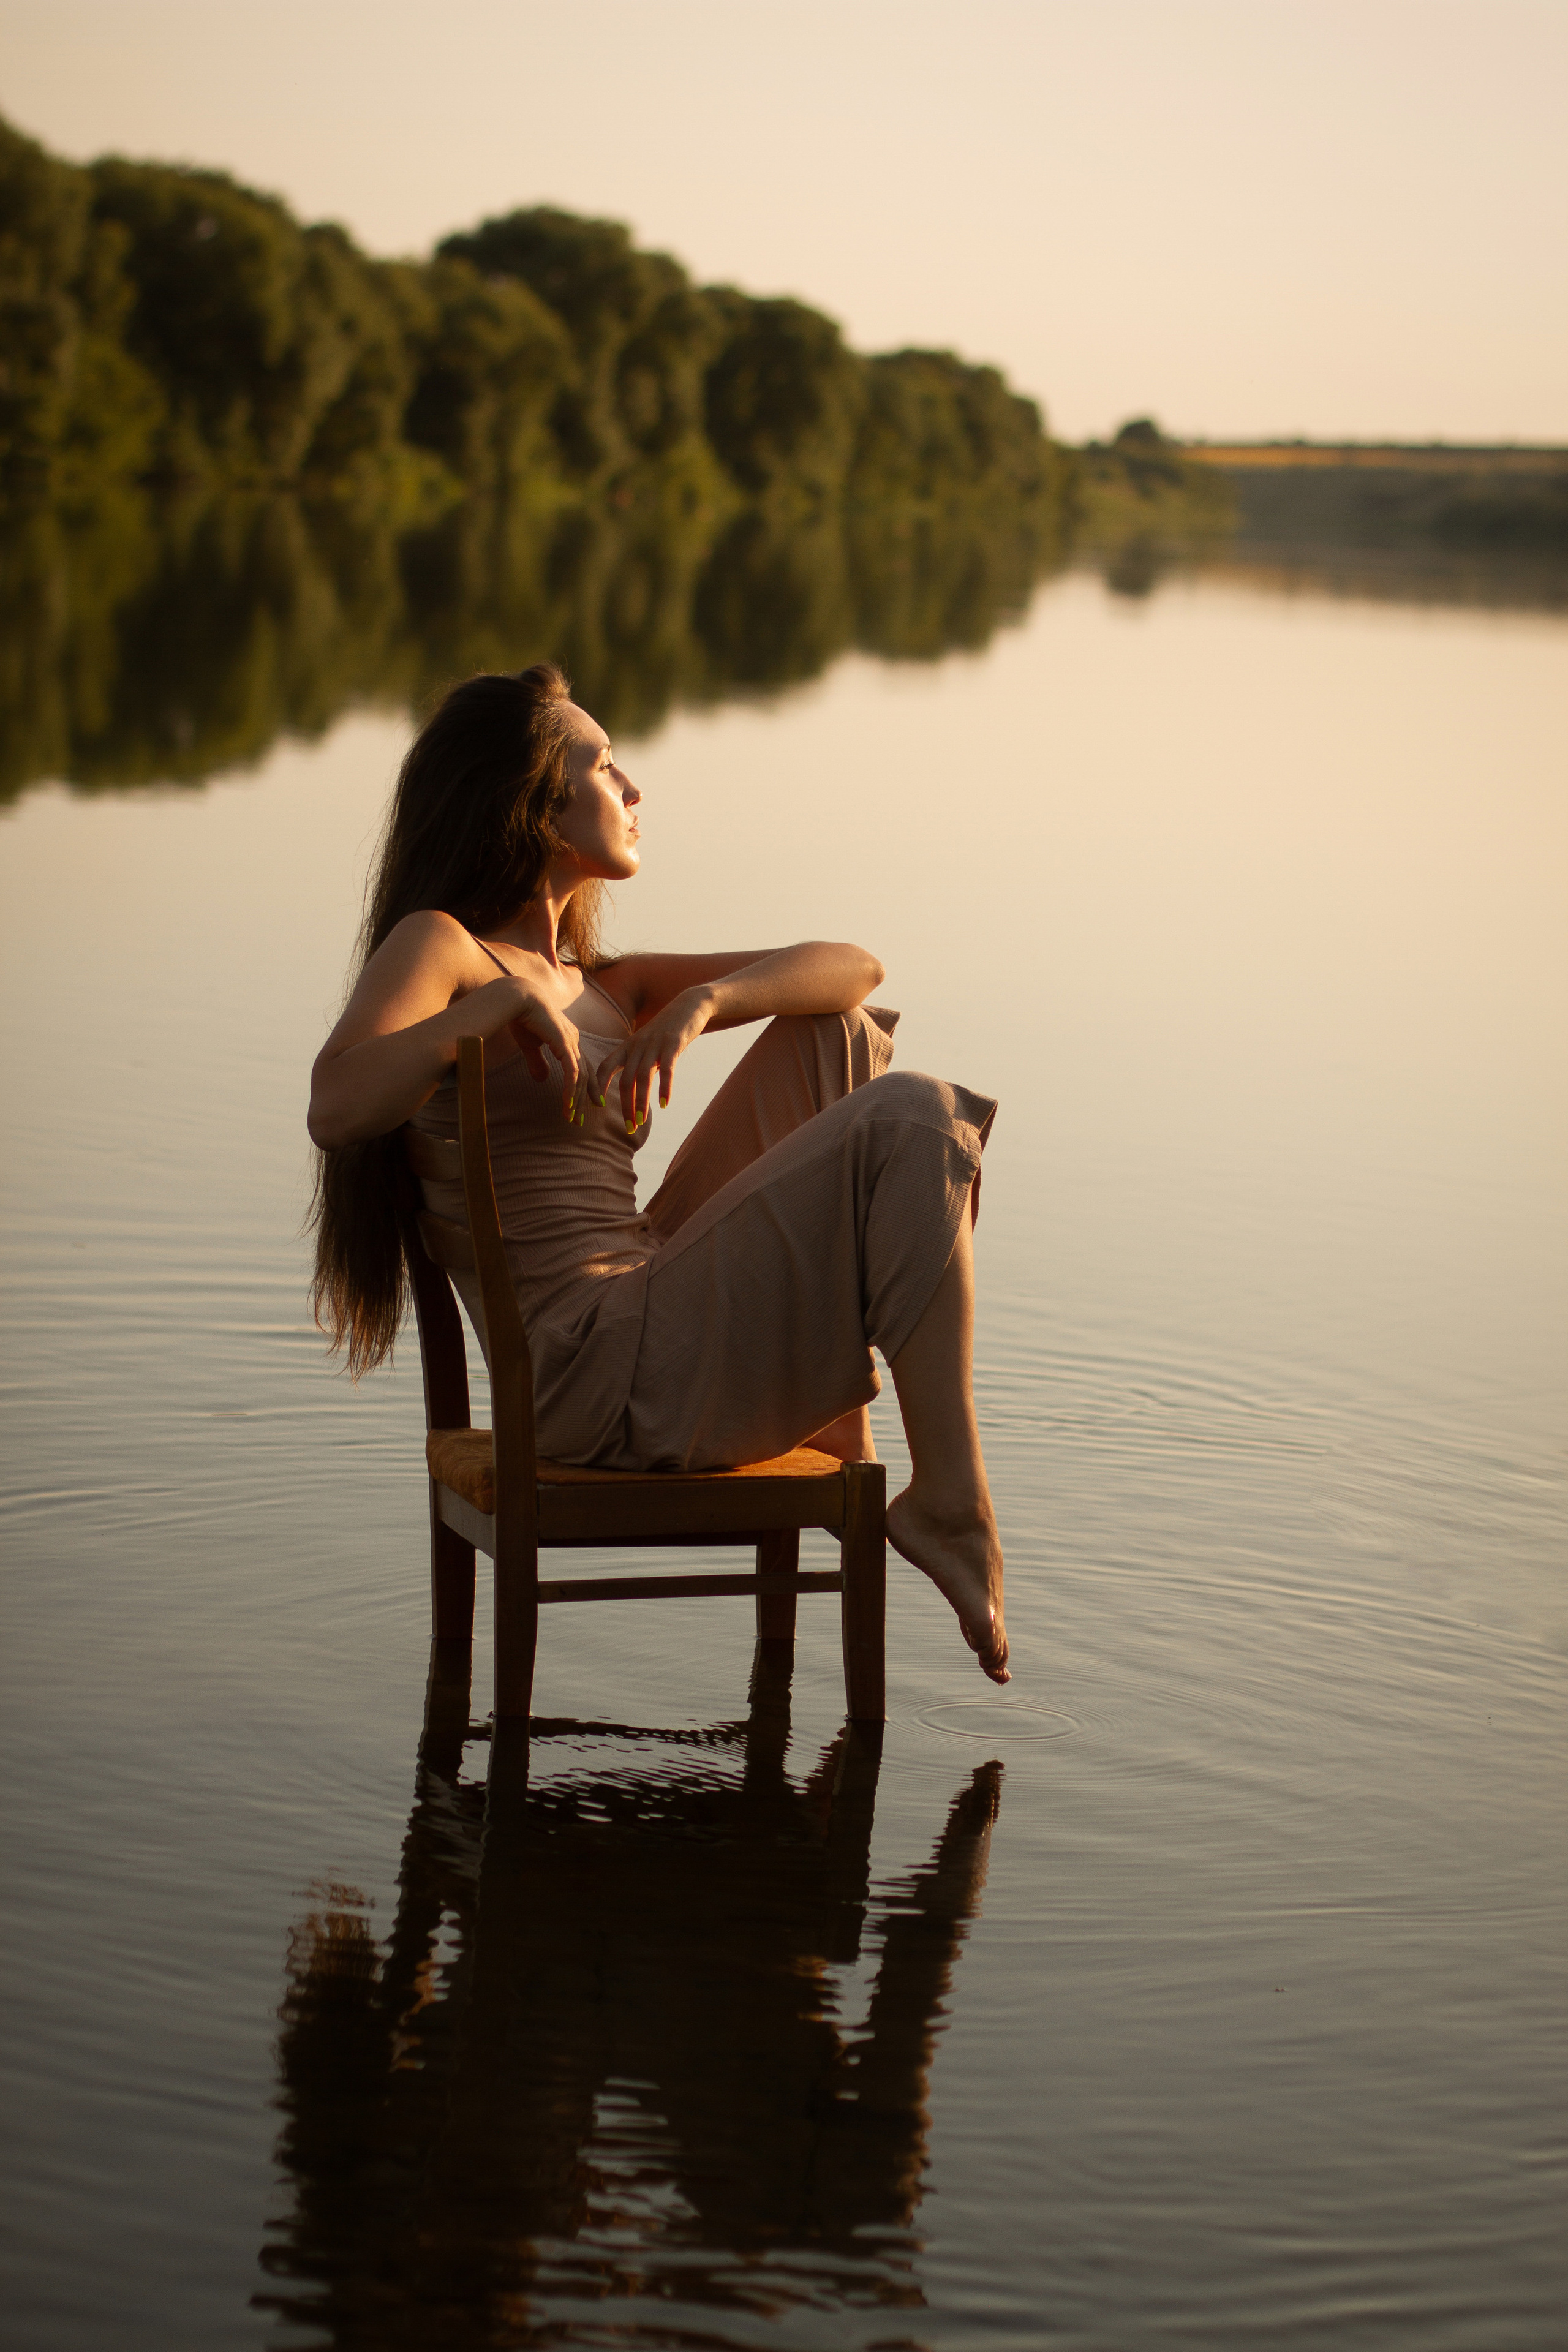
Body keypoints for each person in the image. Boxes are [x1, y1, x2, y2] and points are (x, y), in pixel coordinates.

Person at [308, 664, 1008, 1681]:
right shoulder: (445, 948)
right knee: (917, 1117)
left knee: (837, 1033)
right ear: (541, 809)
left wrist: (704, 1005)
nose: (633, 789)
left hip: (647, 1311)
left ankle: (864, 1442)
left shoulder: (612, 988)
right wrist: (484, 1014)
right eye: (605, 767)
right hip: (587, 1375)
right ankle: (949, 1499)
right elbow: (335, 1106)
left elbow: (856, 964)